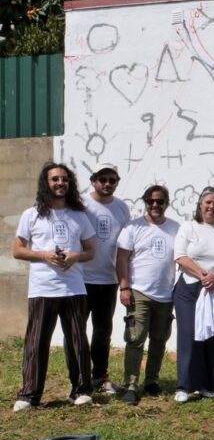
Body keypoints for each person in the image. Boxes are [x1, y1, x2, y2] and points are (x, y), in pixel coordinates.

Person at [12, 162, 96, 411]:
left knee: (78, 341)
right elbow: (17, 250)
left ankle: (81, 391)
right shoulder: (32, 214)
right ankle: (29, 395)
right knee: (36, 342)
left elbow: (91, 251)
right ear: (46, 183)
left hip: (73, 288)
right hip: (42, 288)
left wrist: (74, 257)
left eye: (64, 179)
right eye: (55, 179)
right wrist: (44, 255)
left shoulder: (79, 215)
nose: (60, 183)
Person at [173, 186, 214, 402]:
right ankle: (185, 385)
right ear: (200, 205)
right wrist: (203, 276)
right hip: (190, 288)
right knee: (190, 335)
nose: (212, 206)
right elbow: (180, 256)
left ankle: (212, 384)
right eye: (208, 202)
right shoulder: (189, 227)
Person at [116, 185, 180, 405]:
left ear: (166, 203)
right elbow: (122, 259)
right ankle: (131, 385)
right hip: (138, 291)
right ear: (145, 202)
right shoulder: (133, 227)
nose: (155, 205)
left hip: (165, 294)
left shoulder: (175, 228)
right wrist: (124, 287)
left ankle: (151, 381)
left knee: (159, 340)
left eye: (160, 201)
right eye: (150, 201)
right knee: (135, 339)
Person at [81, 163, 130, 395]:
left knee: (102, 332)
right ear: (93, 180)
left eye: (112, 180)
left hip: (108, 280)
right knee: (77, 332)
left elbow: (125, 247)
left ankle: (99, 376)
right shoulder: (80, 204)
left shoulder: (122, 208)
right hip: (80, 279)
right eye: (102, 179)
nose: (107, 184)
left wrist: (124, 281)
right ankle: (80, 378)